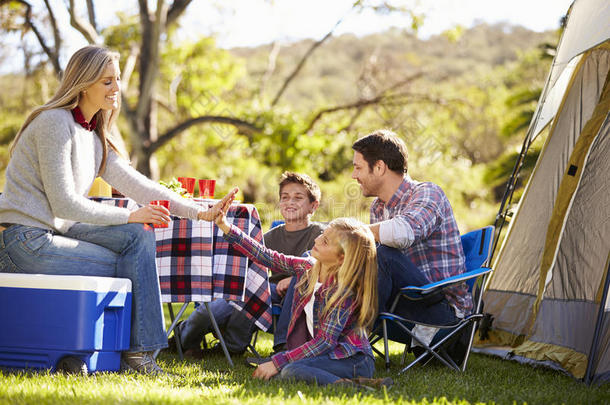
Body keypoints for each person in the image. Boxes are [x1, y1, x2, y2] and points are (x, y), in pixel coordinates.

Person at [0, 45, 231, 375]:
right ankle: (139, 356)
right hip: (24, 241)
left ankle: (138, 353)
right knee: (133, 259)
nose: (116, 88)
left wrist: (199, 211)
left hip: (54, 233)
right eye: (107, 81)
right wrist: (130, 214)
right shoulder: (54, 123)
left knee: (137, 238)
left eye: (118, 79)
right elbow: (64, 202)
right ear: (84, 83)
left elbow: (140, 185)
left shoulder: (93, 135)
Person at [210, 188, 390, 388]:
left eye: (325, 241)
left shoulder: (343, 292)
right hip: (325, 355)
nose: (316, 240)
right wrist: (225, 226)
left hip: (352, 360)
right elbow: (265, 256)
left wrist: (278, 362)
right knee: (288, 370)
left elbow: (324, 342)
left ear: (341, 258)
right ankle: (358, 383)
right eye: (322, 236)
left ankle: (356, 386)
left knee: (291, 370)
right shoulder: (308, 267)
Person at [172, 171, 325, 357]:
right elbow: (247, 261)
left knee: (249, 297)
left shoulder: (320, 235)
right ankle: (181, 340)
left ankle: (230, 348)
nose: (290, 202)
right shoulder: (269, 236)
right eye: (285, 197)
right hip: (263, 290)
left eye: (298, 198)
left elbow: (325, 265)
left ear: (313, 206)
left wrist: (293, 279)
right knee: (208, 312)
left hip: (293, 297)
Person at [351, 129, 471, 347]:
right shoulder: (378, 208)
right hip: (405, 302)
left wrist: (350, 232)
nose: (353, 175)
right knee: (353, 262)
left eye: (358, 167)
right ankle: (321, 340)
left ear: (379, 167)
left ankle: (351, 345)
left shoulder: (427, 193)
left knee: (384, 254)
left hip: (445, 317)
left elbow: (403, 234)